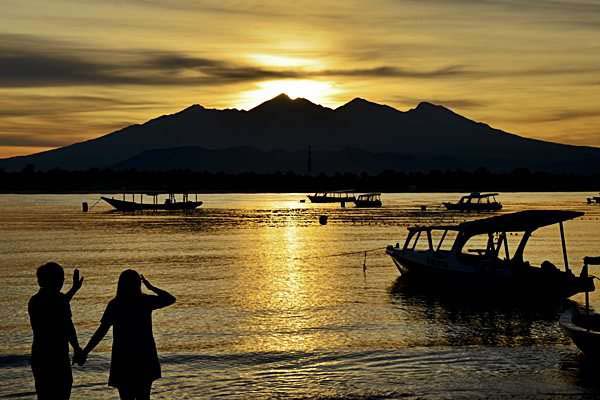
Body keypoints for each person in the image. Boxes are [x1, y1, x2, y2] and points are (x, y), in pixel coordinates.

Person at [77, 270, 175, 400]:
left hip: (123, 356)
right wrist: (151, 287)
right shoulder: (145, 301)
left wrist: (85, 351)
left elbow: (101, 331)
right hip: (144, 354)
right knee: (144, 396)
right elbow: (170, 299)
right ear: (138, 284)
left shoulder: (115, 304)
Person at [28, 262, 84, 400]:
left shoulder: (34, 301)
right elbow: (68, 326)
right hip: (57, 356)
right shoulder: (59, 301)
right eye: (61, 278)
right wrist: (77, 349)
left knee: (44, 393)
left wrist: (74, 289)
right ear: (55, 280)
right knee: (62, 391)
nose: (63, 281)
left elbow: (57, 304)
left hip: (39, 355)